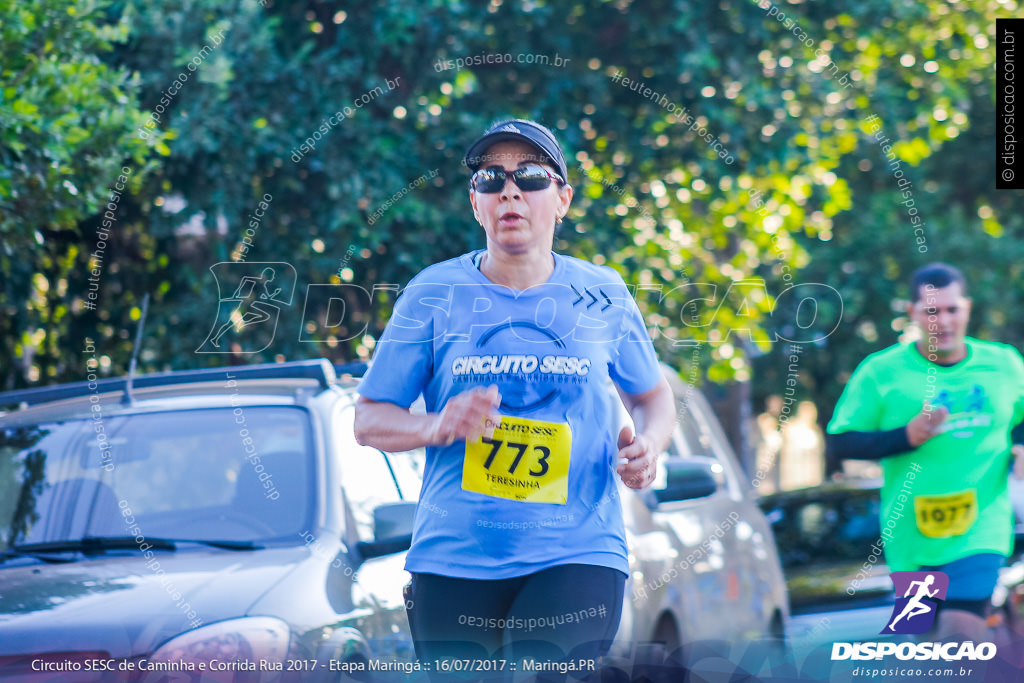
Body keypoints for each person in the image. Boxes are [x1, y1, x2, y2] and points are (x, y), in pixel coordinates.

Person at [352, 119, 676, 677]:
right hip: (452, 557)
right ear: (476, 205)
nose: (509, 191)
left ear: (562, 199)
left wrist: (649, 445)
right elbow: (368, 419)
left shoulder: (602, 293)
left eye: (529, 176)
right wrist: (438, 426)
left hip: (576, 552)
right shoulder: (433, 293)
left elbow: (652, 397)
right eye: (489, 179)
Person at [827, 263, 1024, 641]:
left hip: (981, 531)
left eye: (953, 309)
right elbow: (841, 441)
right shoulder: (881, 372)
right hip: (910, 539)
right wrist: (905, 437)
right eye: (933, 311)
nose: (944, 321)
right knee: (926, 649)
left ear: (967, 308)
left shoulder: (1004, 364)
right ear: (913, 313)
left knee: (959, 636)